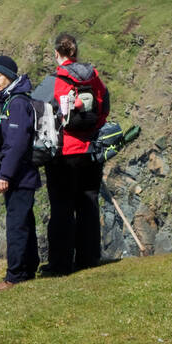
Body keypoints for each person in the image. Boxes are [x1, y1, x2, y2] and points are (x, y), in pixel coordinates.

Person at [42, 32, 108, 275]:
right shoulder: (94, 77)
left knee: (62, 207)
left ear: (57, 54)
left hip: (65, 152)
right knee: (88, 203)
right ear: (76, 52)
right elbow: (104, 108)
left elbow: (50, 114)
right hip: (90, 150)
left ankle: (60, 265)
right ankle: (88, 259)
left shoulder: (59, 79)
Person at [0, 55, 41, 291]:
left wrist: (4, 175)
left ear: (8, 75)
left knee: (16, 226)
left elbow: (17, 144)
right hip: (24, 175)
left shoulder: (16, 104)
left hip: (19, 176)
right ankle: (28, 268)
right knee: (24, 222)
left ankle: (15, 276)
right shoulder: (13, 102)